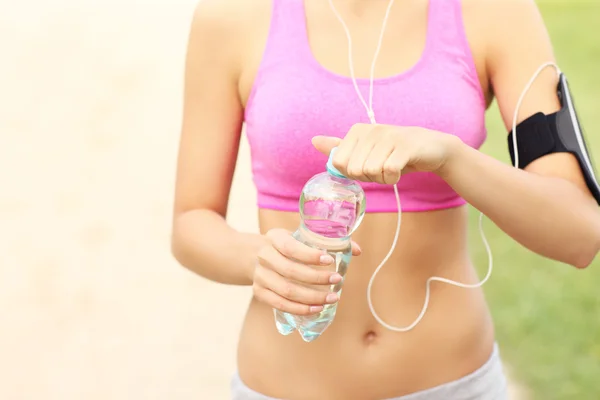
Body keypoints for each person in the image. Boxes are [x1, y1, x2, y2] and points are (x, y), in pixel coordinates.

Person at [171, 0, 600, 398]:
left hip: (455, 385)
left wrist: (450, 158)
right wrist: (258, 258)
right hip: (281, 385)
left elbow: (579, 234)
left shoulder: (493, 11)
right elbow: (192, 221)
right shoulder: (232, 16)